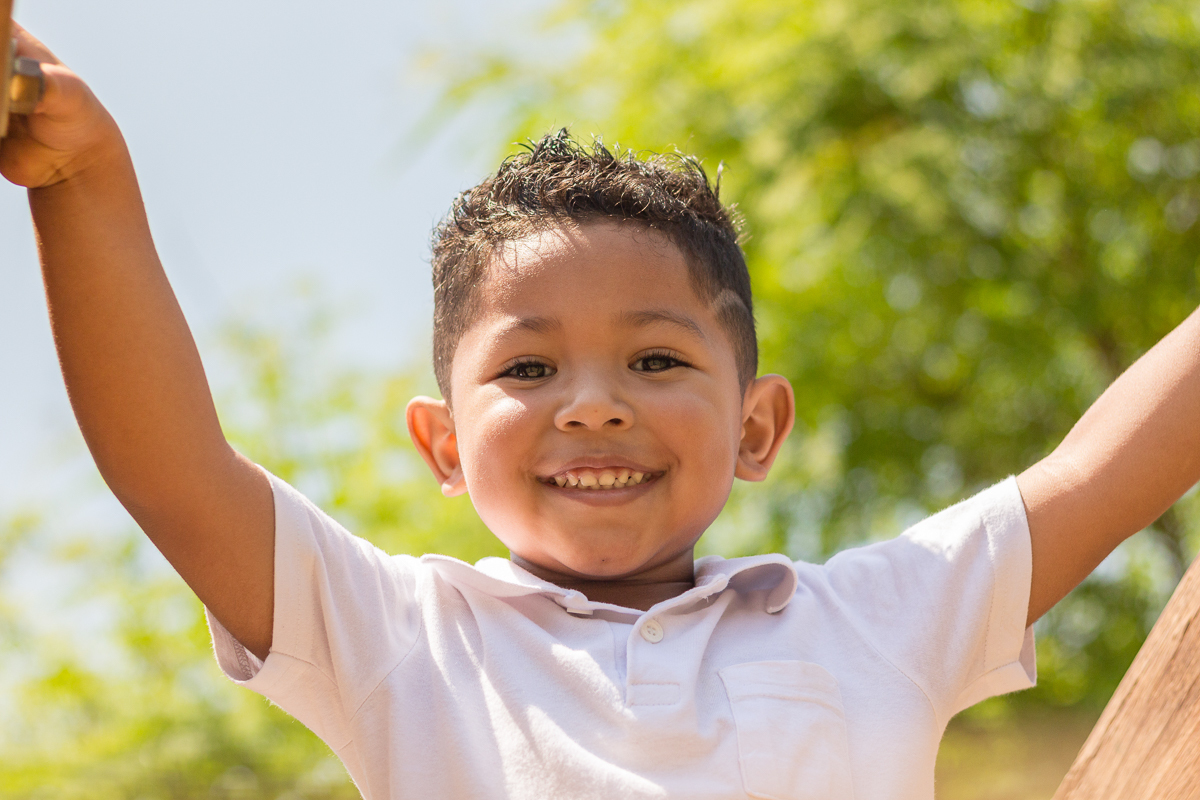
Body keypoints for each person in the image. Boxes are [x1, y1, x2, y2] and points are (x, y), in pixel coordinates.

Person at [4, 23, 1200, 800]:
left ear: (756, 427)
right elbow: (173, 471)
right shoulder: (405, 637)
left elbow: (1095, 471)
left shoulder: (870, 620)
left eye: (657, 361)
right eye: (526, 372)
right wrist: (80, 179)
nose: (592, 408)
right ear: (443, 445)